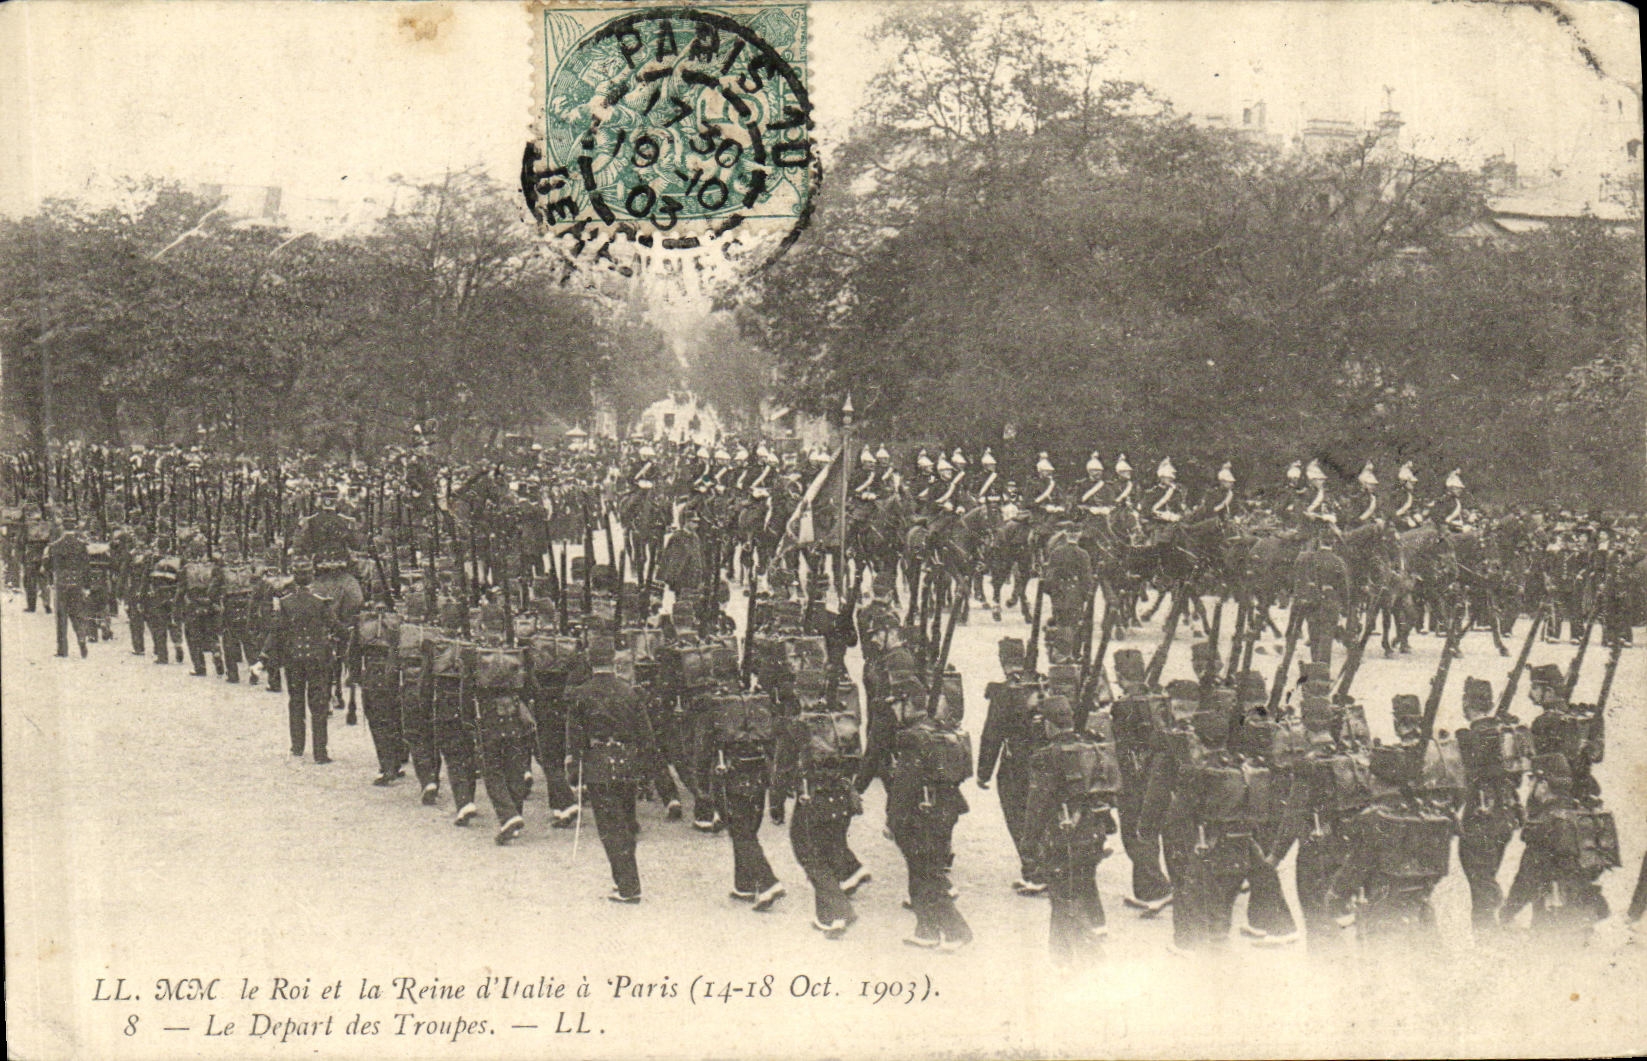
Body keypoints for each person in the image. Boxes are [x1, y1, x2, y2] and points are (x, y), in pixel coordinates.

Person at [1025, 694, 1118, 964]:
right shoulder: (1090, 747)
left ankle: (1088, 957)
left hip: (1064, 835)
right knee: (1075, 888)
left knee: (1063, 896)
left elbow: (1037, 807)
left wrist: (1029, 846)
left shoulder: (1046, 756)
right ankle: (1061, 958)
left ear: (1048, 725)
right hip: (1093, 832)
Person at [886, 683, 973, 951]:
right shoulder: (940, 729)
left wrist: (892, 820)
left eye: (896, 705)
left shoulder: (913, 738)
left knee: (926, 873)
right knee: (921, 870)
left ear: (908, 705)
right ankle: (926, 930)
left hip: (920, 813)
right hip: (945, 809)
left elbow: (903, 786)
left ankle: (956, 930)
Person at [566, 634, 651, 903]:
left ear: (590, 662)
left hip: (598, 763)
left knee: (610, 828)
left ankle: (627, 885)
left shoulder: (581, 694)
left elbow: (575, 738)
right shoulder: (629, 691)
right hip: (627, 762)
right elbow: (646, 735)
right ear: (614, 661)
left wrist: (574, 770)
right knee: (626, 823)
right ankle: (627, 880)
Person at [977, 637, 1048, 895]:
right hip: (1045, 762)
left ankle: (1034, 870)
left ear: (1002, 661)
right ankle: (1049, 865)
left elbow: (991, 735)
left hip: (1015, 765)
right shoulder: (1042, 684)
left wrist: (983, 772)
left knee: (1018, 817)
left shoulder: (1004, 691)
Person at [261, 558, 341, 764]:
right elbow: (335, 626)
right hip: (317, 660)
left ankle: (297, 746)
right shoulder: (321, 600)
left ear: (294, 577)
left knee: (295, 702)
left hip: (294, 660)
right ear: (311, 575)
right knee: (319, 705)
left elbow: (277, 631)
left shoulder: (286, 601)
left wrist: (264, 655)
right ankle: (320, 752)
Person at [46, 514, 91, 658]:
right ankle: (82, 638)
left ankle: (63, 649)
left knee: (61, 616)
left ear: (63, 527)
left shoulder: (55, 545)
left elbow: (48, 565)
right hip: (77, 582)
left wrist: (51, 581)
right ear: (75, 527)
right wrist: (86, 585)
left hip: (61, 583)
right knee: (78, 614)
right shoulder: (81, 545)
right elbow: (86, 566)